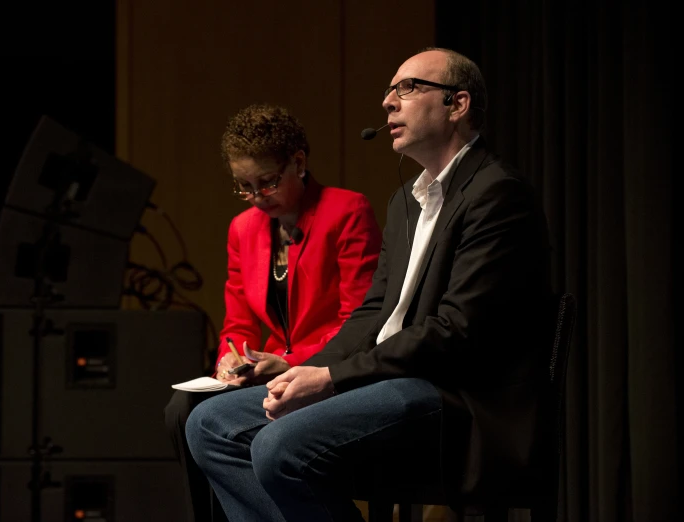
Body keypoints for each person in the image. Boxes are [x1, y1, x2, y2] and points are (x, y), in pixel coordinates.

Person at [185, 48, 554, 521]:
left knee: (279, 445)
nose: (388, 103)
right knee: (209, 424)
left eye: (409, 87)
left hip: (456, 395)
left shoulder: (498, 194)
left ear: (457, 104)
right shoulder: (406, 201)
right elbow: (371, 314)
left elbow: (455, 332)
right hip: (391, 379)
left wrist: (332, 378)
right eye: (389, 90)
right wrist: (306, 371)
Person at [165, 103, 382, 522]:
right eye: (242, 186)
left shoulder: (346, 211)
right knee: (181, 409)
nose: (255, 197)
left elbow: (358, 318)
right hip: (266, 368)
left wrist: (291, 362)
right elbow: (238, 322)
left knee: (203, 419)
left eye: (266, 182)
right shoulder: (243, 228)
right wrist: (231, 358)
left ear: (298, 163)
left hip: (322, 368)